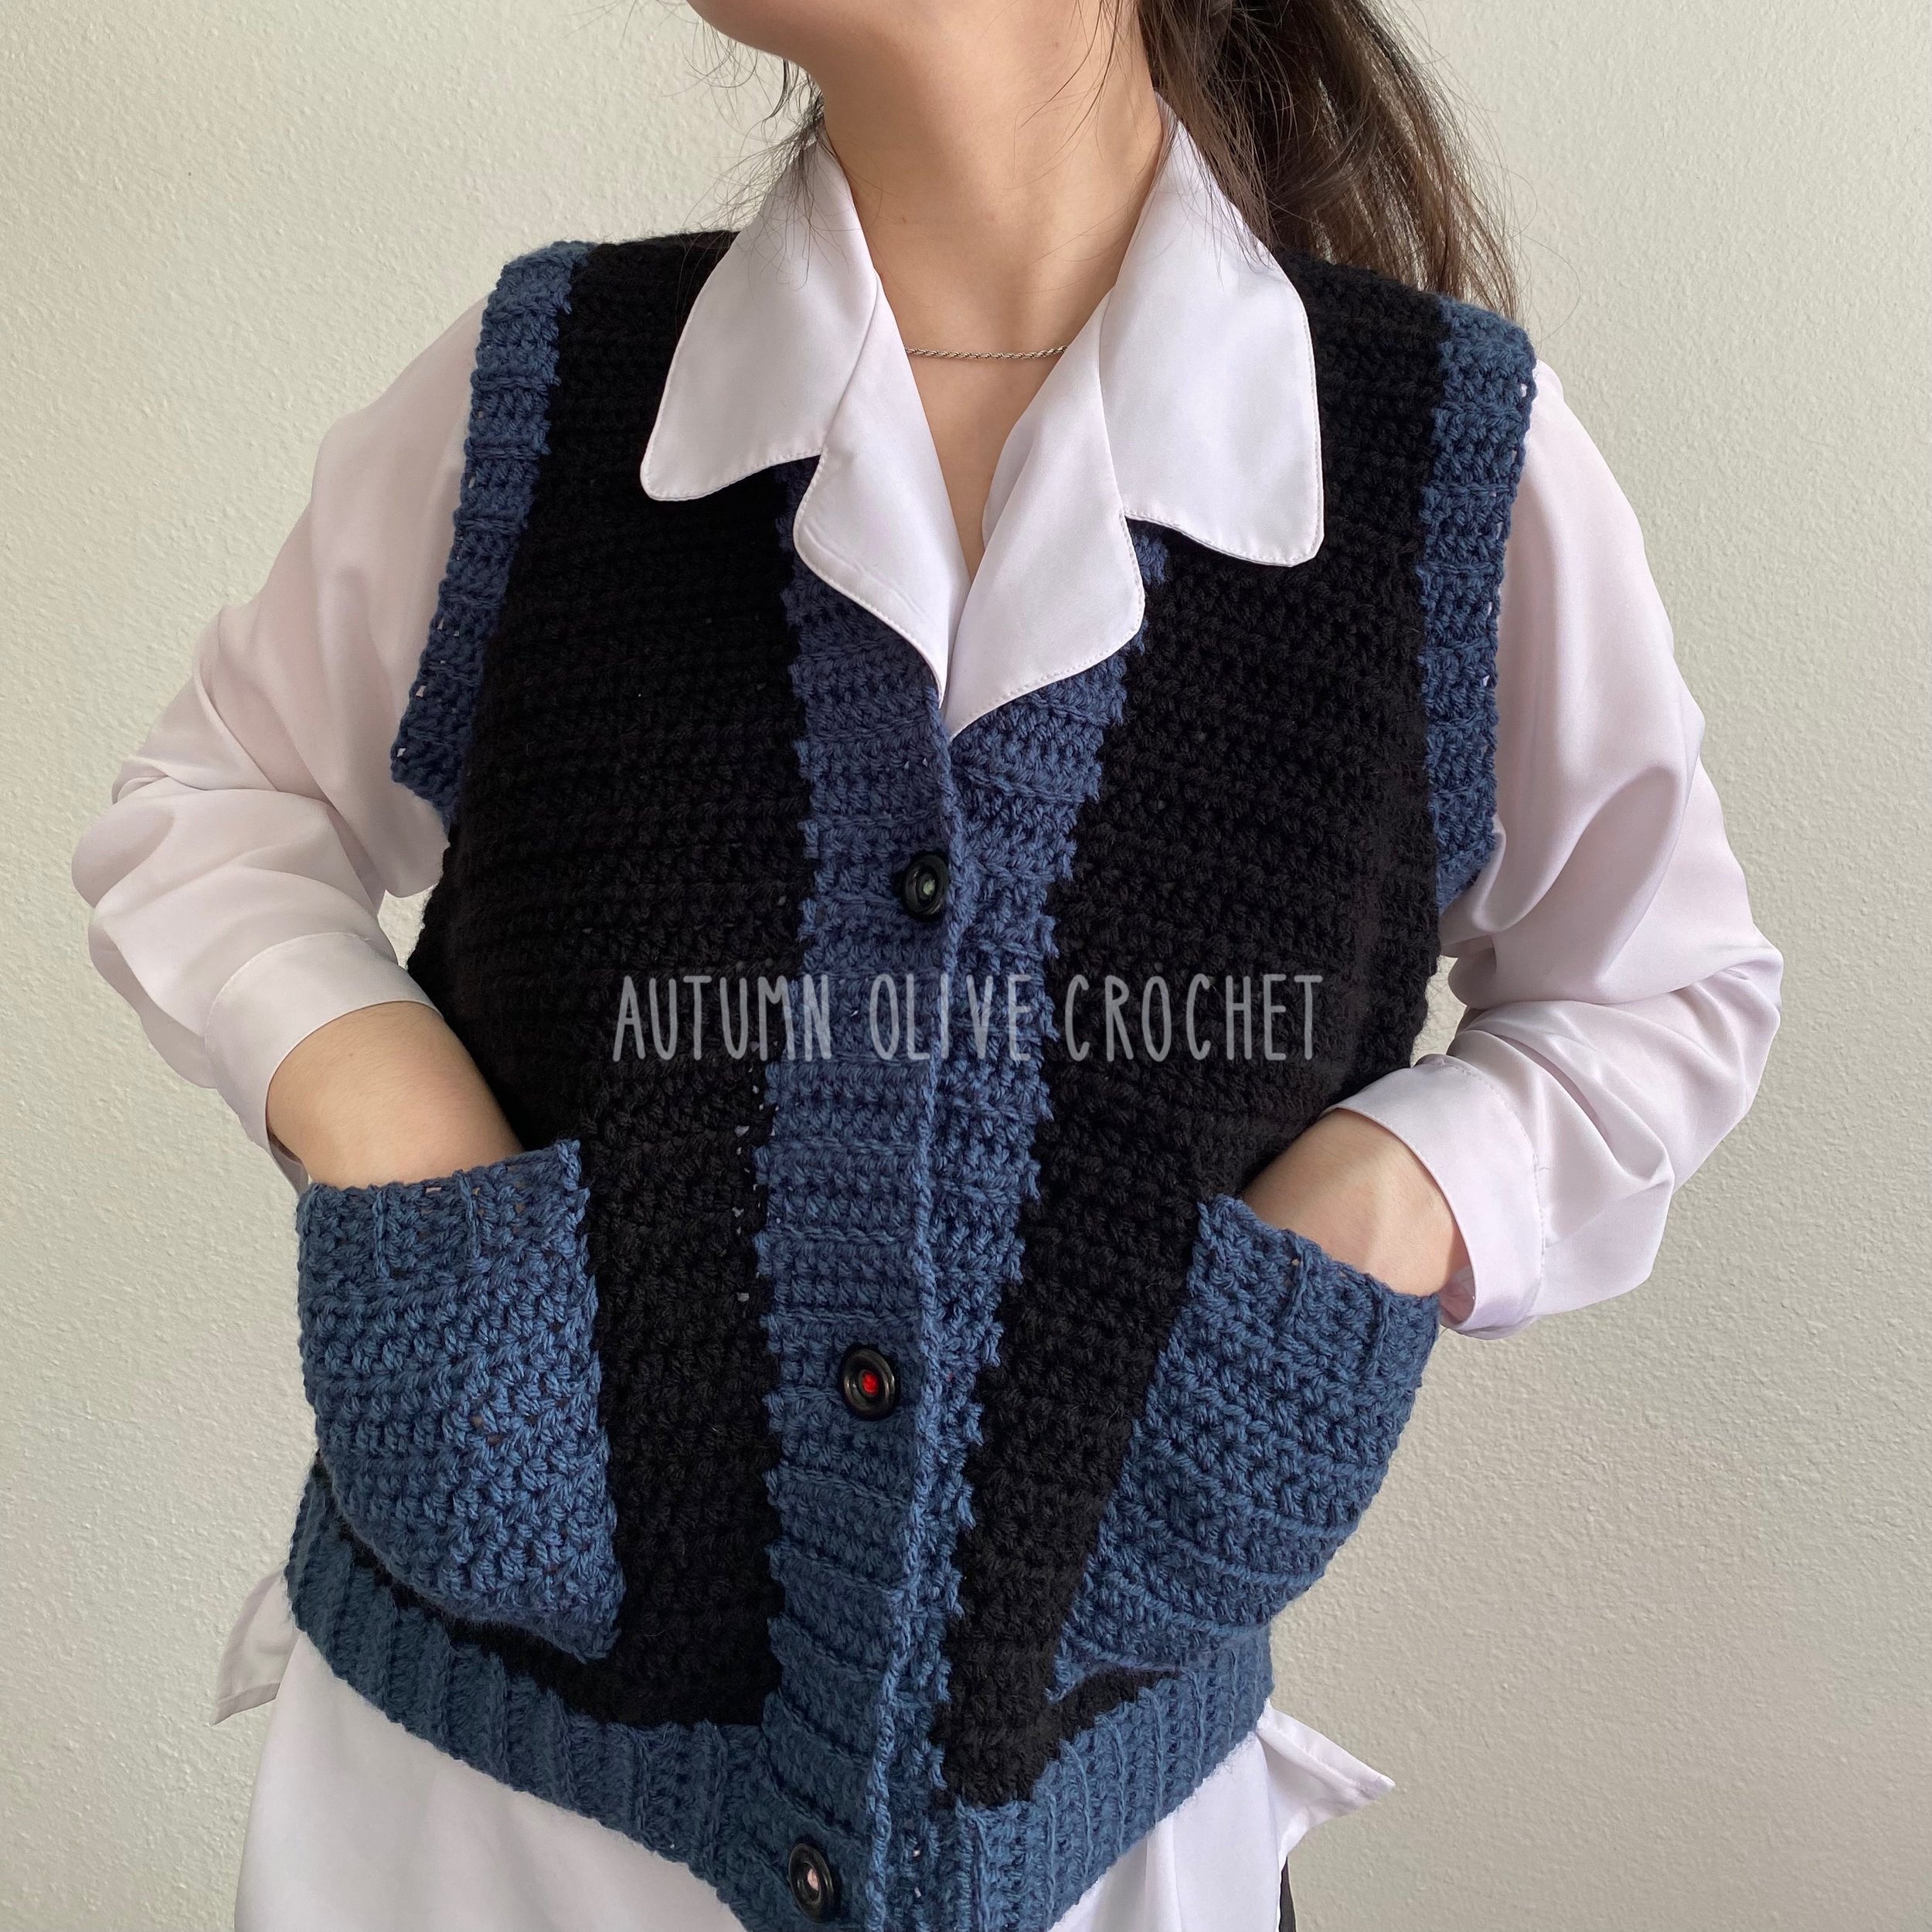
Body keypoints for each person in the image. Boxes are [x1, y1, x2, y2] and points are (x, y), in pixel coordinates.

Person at [70, 2, 1782, 1928]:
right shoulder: (558, 389)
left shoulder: (1427, 459)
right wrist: (386, 1110)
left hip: (1100, 1840)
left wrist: (1387, 1196)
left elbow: (1661, 991)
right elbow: (214, 804)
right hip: (481, 1822)